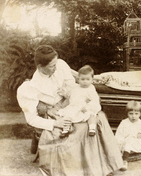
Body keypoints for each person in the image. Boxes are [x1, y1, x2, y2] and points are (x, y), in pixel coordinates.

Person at [17, 45, 123, 176]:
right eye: (51, 66)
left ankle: (106, 163)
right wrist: (54, 123)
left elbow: (73, 87)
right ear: (39, 67)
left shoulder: (60, 65)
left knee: (97, 117)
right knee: (74, 130)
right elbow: (31, 119)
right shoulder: (29, 87)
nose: (55, 68)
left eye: (56, 64)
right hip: (53, 113)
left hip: (72, 104)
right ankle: (83, 170)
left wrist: (78, 99)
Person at [49, 65, 101, 138]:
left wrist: (87, 107)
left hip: (84, 108)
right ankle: (66, 129)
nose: (85, 82)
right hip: (75, 107)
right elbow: (70, 95)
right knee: (67, 115)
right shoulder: (75, 87)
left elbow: (94, 100)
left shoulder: (91, 89)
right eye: (82, 79)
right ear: (78, 79)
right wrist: (64, 93)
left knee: (92, 115)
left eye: (87, 79)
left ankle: (92, 128)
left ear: (92, 80)